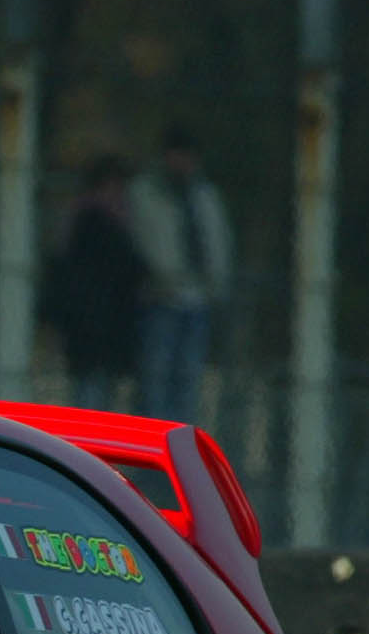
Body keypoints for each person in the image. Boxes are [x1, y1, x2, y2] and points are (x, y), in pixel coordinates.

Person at [128, 124, 234, 423]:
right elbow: (146, 242)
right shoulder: (145, 194)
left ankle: (178, 451)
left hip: (198, 300)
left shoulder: (204, 196)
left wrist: (215, 284)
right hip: (160, 299)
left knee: (188, 383)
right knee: (155, 381)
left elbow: (218, 242)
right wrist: (162, 277)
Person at [45, 154, 147, 412]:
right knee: (92, 396)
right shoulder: (97, 224)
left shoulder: (78, 220)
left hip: (94, 329)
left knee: (94, 391)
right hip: (95, 327)